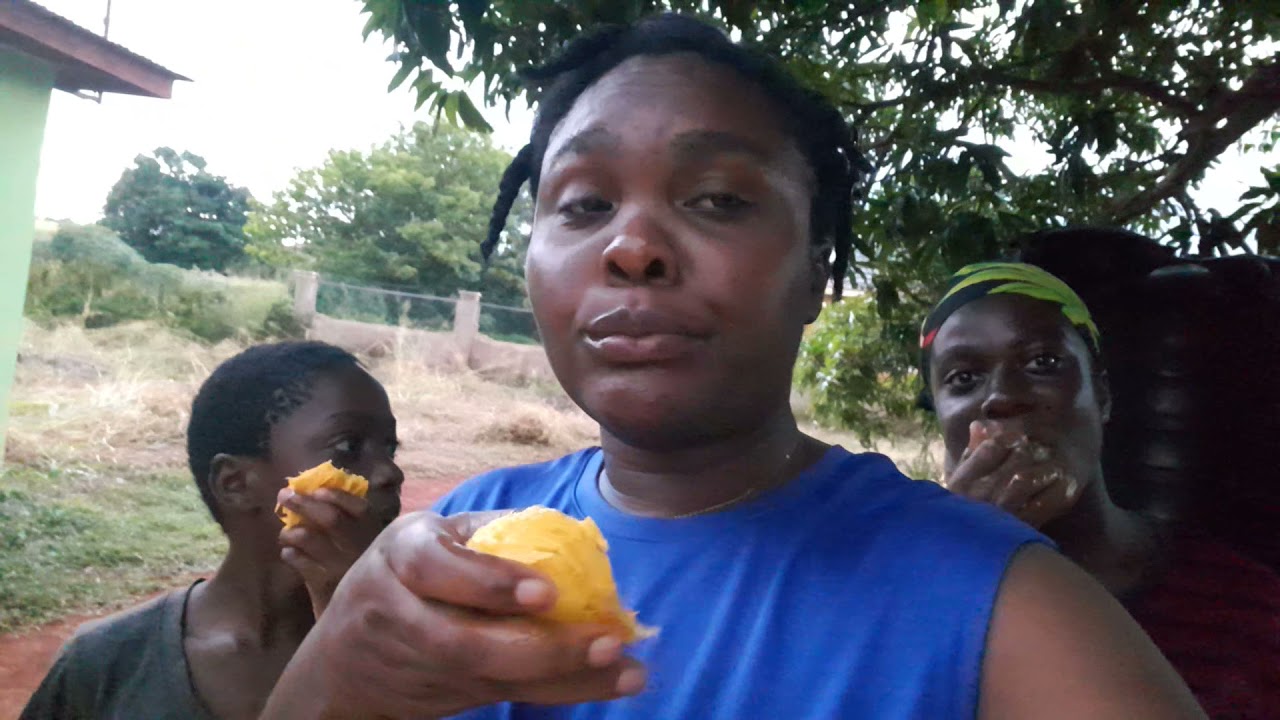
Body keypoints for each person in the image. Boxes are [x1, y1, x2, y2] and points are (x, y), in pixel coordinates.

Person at [259, 14, 1203, 720]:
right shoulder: (460, 541)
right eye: (583, 204)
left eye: (716, 198)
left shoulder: (1002, 602)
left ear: (816, 276)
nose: (632, 247)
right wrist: (339, 668)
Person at [921, 261, 1280, 717]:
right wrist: (960, 569)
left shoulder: (1244, 608)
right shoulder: (907, 604)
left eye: (1043, 363)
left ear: (1103, 395)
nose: (1002, 396)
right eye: (963, 379)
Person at [20, 341, 405, 720]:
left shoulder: (414, 655)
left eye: (389, 448)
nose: (391, 472)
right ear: (236, 485)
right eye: (348, 445)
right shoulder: (106, 663)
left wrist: (348, 617)